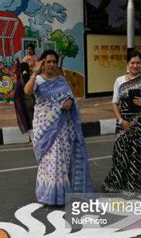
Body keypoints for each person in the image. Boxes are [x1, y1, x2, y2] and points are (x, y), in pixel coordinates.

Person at [24, 50, 93, 205]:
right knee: (51, 160)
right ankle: (48, 194)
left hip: (64, 128)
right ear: (42, 63)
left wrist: (70, 101)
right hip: (46, 128)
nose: (52, 64)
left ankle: (62, 194)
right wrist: (34, 72)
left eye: (54, 61)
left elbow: (70, 96)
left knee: (62, 160)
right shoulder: (38, 80)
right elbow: (27, 91)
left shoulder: (61, 80)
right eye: (48, 61)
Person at [102, 51, 141, 194]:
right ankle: (118, 183)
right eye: (132, 62)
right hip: (123, 124)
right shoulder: (119, 81)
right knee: (121, 156)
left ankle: (137, 185)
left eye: (138, 63)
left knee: (139, 156)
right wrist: (121, 121)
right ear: (127, 64)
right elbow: (115, 103)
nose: (135, 65)